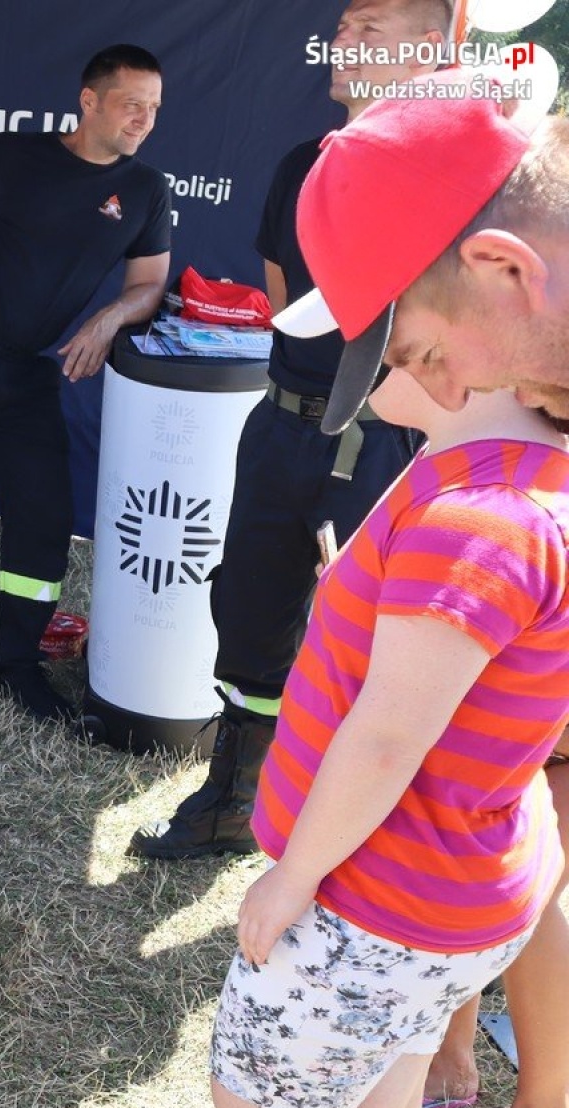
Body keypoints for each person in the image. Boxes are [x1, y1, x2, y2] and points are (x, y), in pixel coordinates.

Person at [276, 89, 569, 1108]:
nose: (438, 394)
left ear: (500, 266)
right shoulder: (534, 377)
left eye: (426, 351)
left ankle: (543, 1104)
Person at [207, 359, 569, 1108]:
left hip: (371, 901)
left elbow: (386, 738)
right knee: (383, 1106)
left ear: (486, 353)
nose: (369, 345)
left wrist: (294, 875)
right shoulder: (511, 482)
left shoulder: (478, 521)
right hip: (447, 900)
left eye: (399, 324)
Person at [128, 0, 449, 861]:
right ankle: (235, 800)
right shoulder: (304, 163)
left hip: (390, 446)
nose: (342, 40)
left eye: (369, 29)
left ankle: (357, 833)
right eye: (343, 27)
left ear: (435, 44)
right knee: (250, 608)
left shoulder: (458, 178)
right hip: (281, 425)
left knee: (376, 644)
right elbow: (281, 298)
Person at [0, 43, 170, 722]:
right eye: (132, 103)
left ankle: (17, 663)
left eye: (154, 108)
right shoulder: (11, 155)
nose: (143, 119)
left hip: (29, 372)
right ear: (90, 100)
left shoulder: (144, 190)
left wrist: (110, 318)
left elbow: (150, 284)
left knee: (44, 520)